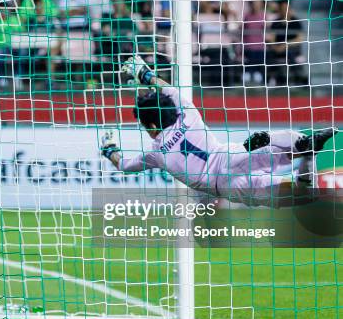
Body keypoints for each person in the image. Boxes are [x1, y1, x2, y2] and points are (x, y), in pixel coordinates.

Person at [100, 54, 337, 207]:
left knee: (301, 195)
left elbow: (125, 166)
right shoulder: (187, 113)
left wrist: (109, 149)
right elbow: (168, 89)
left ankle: (307, 155)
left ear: (151, 127)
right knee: (280, 151)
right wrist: (145, 74)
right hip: (229, 155)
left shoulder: (156, 153)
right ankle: (296, 144)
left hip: (223, 184)